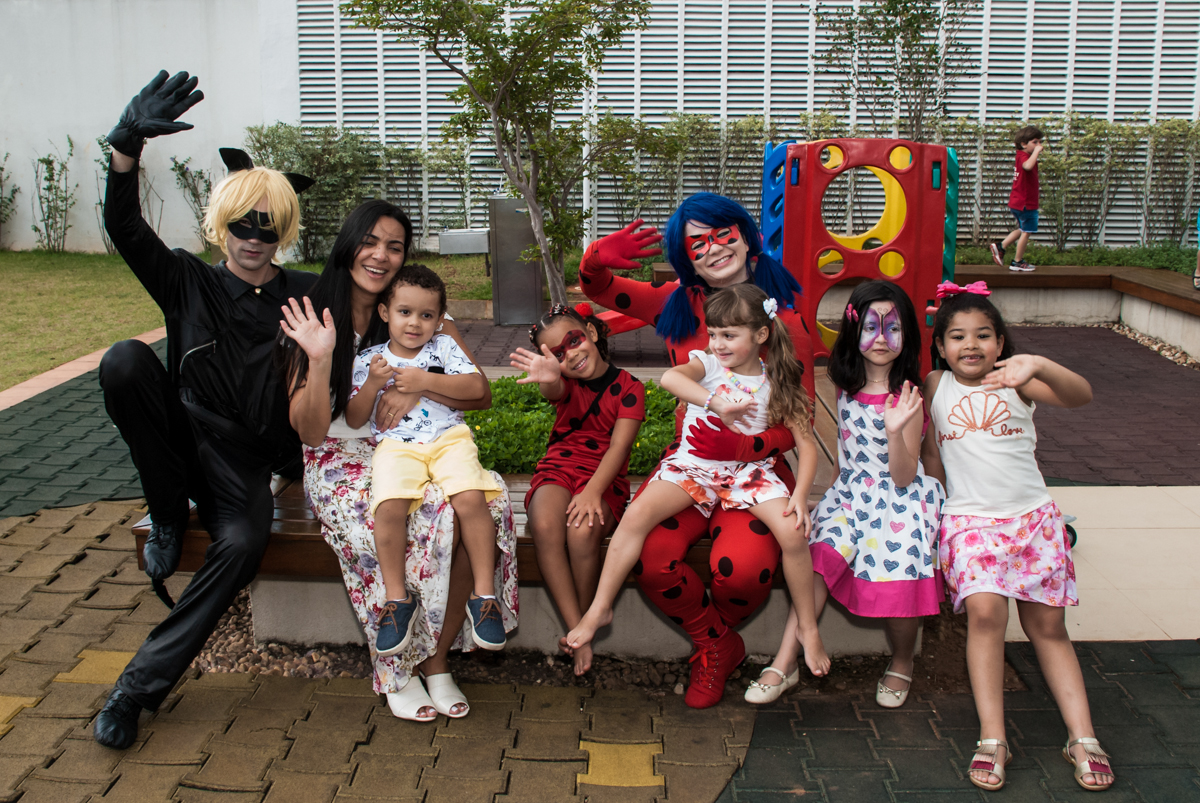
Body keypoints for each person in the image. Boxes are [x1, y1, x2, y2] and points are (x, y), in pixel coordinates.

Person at [93, 71, 320, 749]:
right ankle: (166, 512)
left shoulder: (306, 295)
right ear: (222, 223)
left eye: (268, 226)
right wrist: (126, 146)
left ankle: (135, 687)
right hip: (180, 438)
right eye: (242, 224)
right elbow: (123, 225)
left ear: (282, 230)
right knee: (124, 361)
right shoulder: (187, 279)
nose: (253, 238)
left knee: (245, 541)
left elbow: (385, 284)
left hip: (242, 464)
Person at [279, 201, 517, 722]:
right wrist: (321, 361)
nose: (381, 255)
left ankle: (435, 662)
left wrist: (418, 388)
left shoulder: (422, 309)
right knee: (379, 525)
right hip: (339, 452)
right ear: (349, 245)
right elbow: (312, 429)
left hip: (414, 444)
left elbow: (477, 393)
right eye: (371, 242)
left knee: (465, 513)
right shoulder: (317, 312)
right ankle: (397, 671)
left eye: (395, 246)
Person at [578, 194, 815, 708]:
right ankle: (717, 646)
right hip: (693, 463)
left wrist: (747, 442)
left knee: (744, 569)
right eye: (697, 243)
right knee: (653, 557)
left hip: (756, 471)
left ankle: (714, 642)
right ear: (686, 257)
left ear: (746, 234)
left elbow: (802, 420)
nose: (712, 249)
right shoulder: (676, 302)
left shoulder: (784, 321)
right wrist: (596, 256)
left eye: (722, 234)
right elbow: (600, 289)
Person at [922, 282, 1113, 792]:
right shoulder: (935, 384)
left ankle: (1083, 737)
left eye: (984, 335)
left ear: (1001, 343)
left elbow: (1082, 396)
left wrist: (1039, 365)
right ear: (939, 346)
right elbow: (934, 454)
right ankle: (992, 738)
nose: (971, 345)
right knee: (986, 614)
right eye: (957, 335)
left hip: (1032, 520)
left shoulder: (1017, 380)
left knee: (1048, 627)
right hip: (969, 521)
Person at [746, 280, 945, 707]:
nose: (880, 338)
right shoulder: (846, 387)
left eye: (892, 328)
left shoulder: (906, 396)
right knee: (816, 561)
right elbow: (845, 455)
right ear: (853, 330)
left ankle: (903, 660)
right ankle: (785, 662)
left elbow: (906, 473)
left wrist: (895, 430)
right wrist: (831, 496)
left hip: (900, 502)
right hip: (853, 496)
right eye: (870, 326)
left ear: (907, 334)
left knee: (898, 589)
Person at [345, 265, 507, 656]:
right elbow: (354, 418)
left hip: (449, 438)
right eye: (404, 312)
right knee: (388, 507)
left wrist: (423, 381)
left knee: (471, 498)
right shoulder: (370, 358)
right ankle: (398, 600)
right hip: (397, 445)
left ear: (439, 320)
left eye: (427, 315)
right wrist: (371, 384)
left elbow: (475, 387)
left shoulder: (444, 349)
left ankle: (484, 597)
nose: (414, 323)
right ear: (385, 313)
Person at [509, 303, 645, 676]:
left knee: (583, 531)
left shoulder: (630, 388)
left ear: (592, 332)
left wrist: (592, 493)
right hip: (559, 468)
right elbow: (553, 389)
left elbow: (619, 449)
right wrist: (548, 375)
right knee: (545, 524)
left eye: (573, 341)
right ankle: (578, 629)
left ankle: (582, 628)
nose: (570, 355)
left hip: (604, 478)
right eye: (556, 353)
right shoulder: (564, 382)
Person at [990, 125, 1043, 273]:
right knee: (1027, 231)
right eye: (1035, 142)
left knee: (1022, 228)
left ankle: (1001, 246)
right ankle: (1017, 262)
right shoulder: (1025, 157)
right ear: (1024, 144)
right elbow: (1027, 166)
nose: (1039, 145)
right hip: (1026, 203)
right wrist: (1037, 153)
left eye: (1040, 142)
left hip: (1018, 202)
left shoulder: (1020, 155)